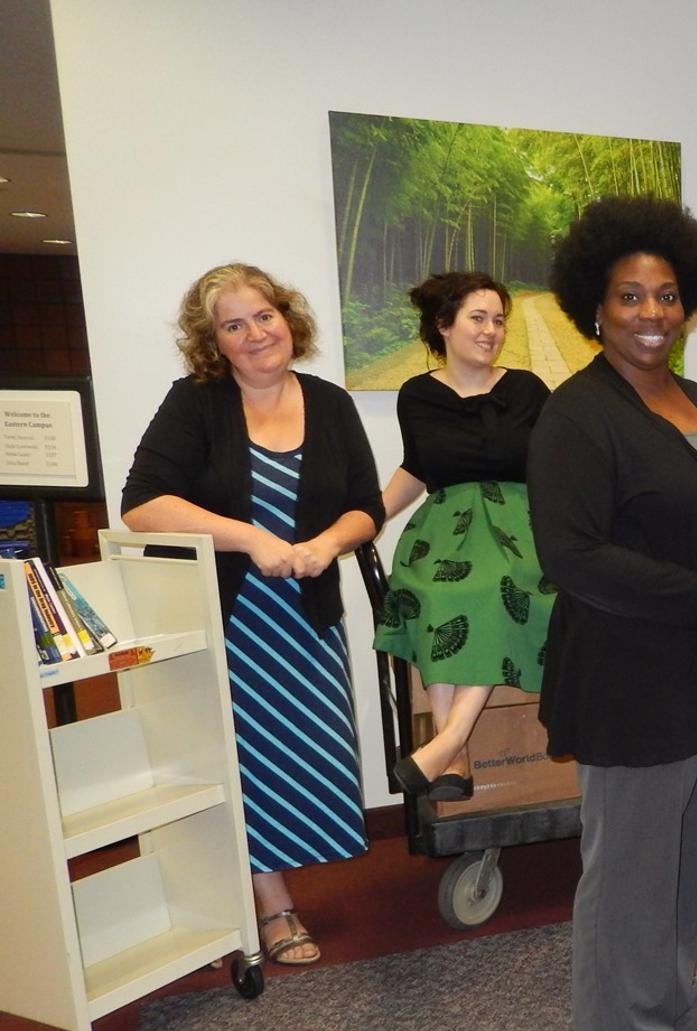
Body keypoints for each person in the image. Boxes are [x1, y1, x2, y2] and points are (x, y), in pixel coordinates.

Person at [529, 196, 697, 1031]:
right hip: (631, 676)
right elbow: (578, 559)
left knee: (684, 857)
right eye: (630, 297)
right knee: (629, 869)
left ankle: (669, 1005)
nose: (650, 314)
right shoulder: (577, 414)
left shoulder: (692, 395)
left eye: (666, 296)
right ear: (593, 307)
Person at [122, 263, 384, 966]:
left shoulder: (329, 402)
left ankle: (238, 896)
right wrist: (251, 538)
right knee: (245, 760)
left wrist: (328, 542)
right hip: (230, 619)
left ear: (286, 318)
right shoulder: (196, 403)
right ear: (215, 342)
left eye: (262, 316)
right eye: (232, 325)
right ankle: (274, 908)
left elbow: (367, 504)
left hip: (306, 620)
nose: (253, 334)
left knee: (303, 756)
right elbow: (143, 503)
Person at [373, 272, 553, 800]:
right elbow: (418, 469)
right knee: (432, 592)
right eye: (478, 318)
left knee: (494, 586)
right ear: (444, 325)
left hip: (519, 527)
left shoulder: (526, 388)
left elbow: (556, 467)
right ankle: (458, 755)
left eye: (499, 320)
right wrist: (367, 517)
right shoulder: (417, 395)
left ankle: (446, 741)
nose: (491, 330)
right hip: (445, 527)